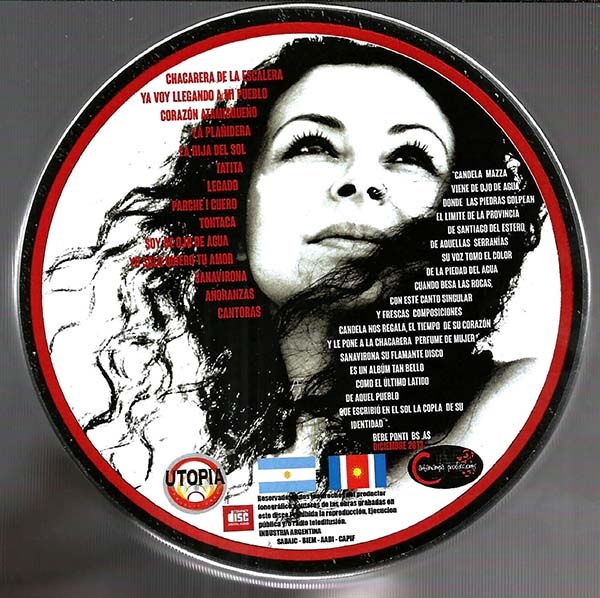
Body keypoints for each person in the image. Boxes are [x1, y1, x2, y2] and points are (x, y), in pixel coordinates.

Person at [46, 37, 546, 494]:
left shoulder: (522, 398)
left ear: (458, 220)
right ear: (233, 225)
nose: (361, 180)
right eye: (312, 146)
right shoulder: (234, 462)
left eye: (411, 156)